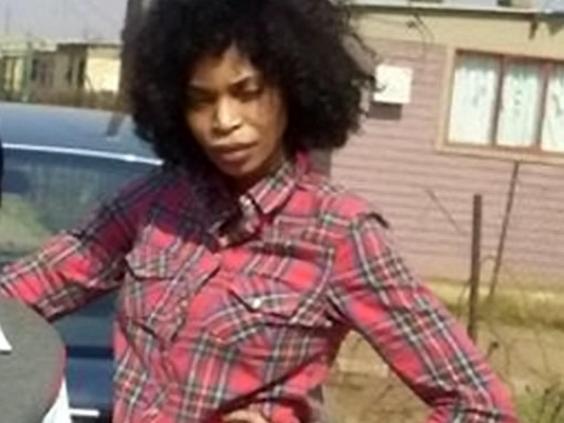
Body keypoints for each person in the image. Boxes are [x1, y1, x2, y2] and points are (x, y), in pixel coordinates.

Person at [0, 0, 517, 422]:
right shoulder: (152, 205)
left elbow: (479, 406)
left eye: (247, 92)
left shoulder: (340, 234)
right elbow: (19, 293)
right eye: (200, 100)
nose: (224, 120)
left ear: (293, 85)